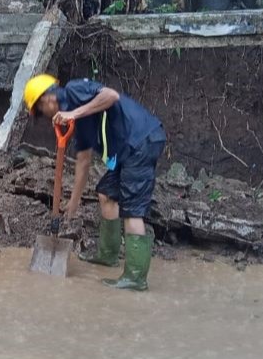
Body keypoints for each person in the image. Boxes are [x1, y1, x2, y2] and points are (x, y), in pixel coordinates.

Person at [23, 74, 166, 291]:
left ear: (46, 100)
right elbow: (84, 160)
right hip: (127, 149)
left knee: (132, 210)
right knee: (106, 194)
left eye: (41, 112)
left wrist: (74, 113)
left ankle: (135, 279)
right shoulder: (79, 123)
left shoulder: (74, 90)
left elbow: (111, 95)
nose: (45, 116)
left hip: (141, 140)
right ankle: (108, 255)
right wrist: (74, 201)